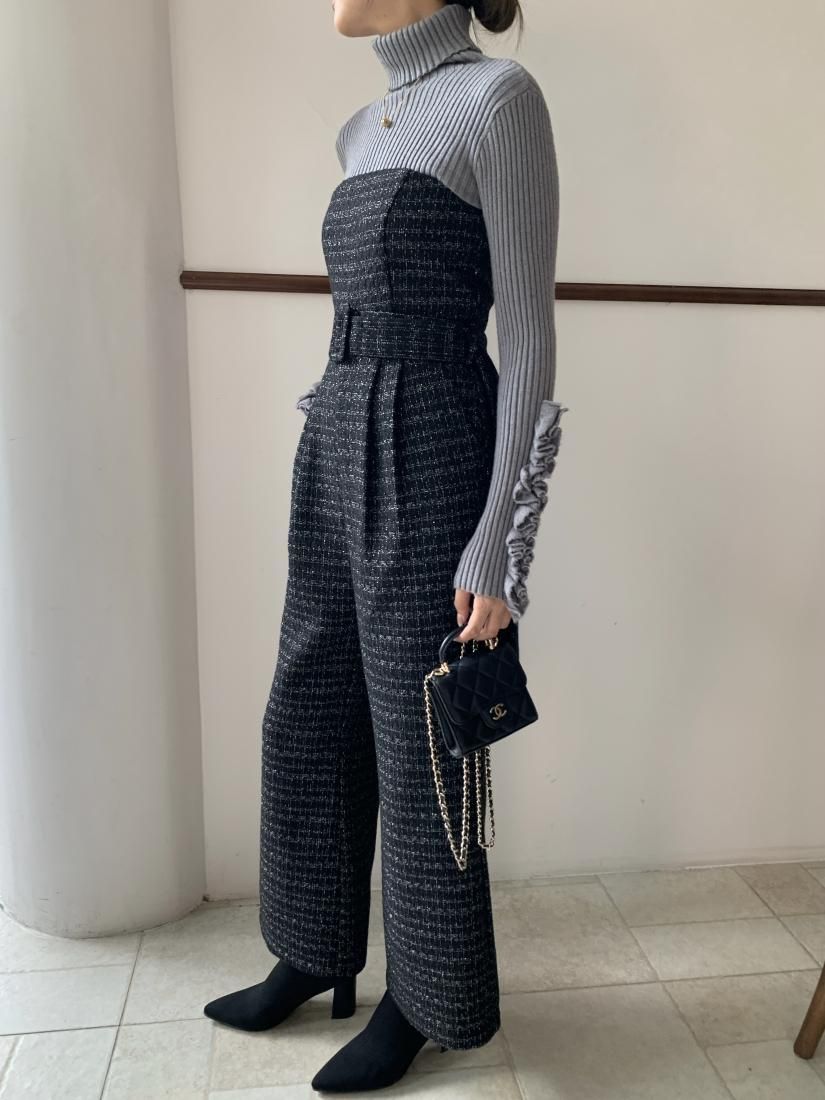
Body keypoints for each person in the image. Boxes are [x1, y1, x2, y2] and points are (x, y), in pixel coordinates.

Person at [203, 0, 567, 1091]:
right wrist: (331, 421)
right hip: (337, 431)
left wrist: (499, 547)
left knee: (420, 738)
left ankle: (427, 993)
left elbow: (528, 334)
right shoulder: (361, 127)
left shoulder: (500, 99)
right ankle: (312, 947)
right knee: (306, 703)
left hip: (435, 435)